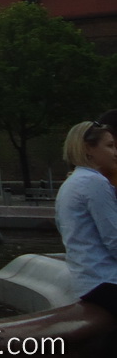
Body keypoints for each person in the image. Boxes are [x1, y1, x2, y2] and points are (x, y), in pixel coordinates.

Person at [55, 120, 117, 318]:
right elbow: (114, 239)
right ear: (88, 149)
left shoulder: (71, 183)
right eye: (110, 146)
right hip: (108, 282)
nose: (115, 152)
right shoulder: (95, 182)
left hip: (87, 283)